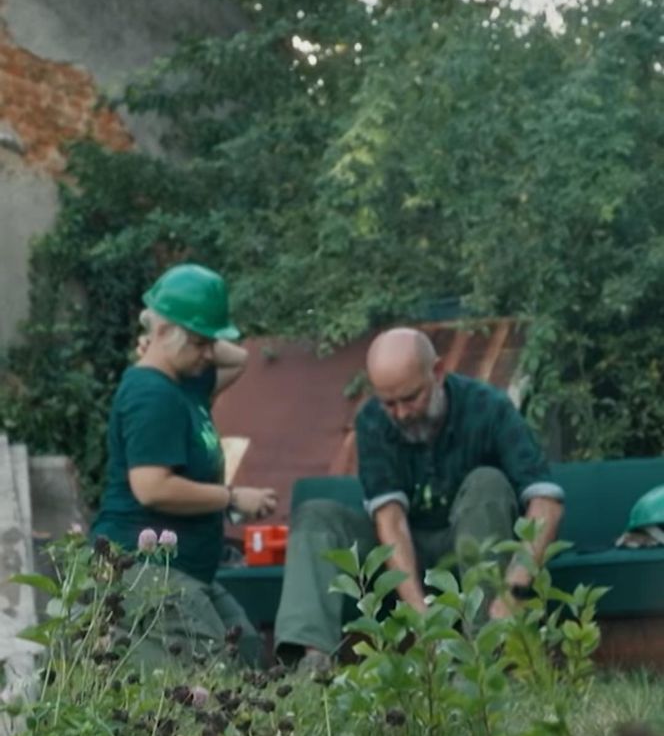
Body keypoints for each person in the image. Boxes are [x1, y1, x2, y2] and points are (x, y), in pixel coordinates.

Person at [275, 327, 564, 670]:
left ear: (437, 373)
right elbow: (390, 520)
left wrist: (514, 591)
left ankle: (485, 653)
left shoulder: (489, 407)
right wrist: (421, 617)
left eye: (410, 398)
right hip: (405, 555)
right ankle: (311, 663)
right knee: (315, 516)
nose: (401, 413)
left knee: (488, 481)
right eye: (389, 403)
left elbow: (546, 503)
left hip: (472, 550)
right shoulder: (372, 421)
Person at [92, 263, 277, 668]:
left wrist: (187, 337)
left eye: (210, 342)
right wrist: (232, 498)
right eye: (200, 343)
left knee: (246, 650)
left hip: (188, 570)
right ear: (164, 332)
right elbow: (152, 487)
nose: (209, 352)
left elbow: (239, 359)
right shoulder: (150, 394)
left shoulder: (186, 383)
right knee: (212, 669)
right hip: (142, 568)